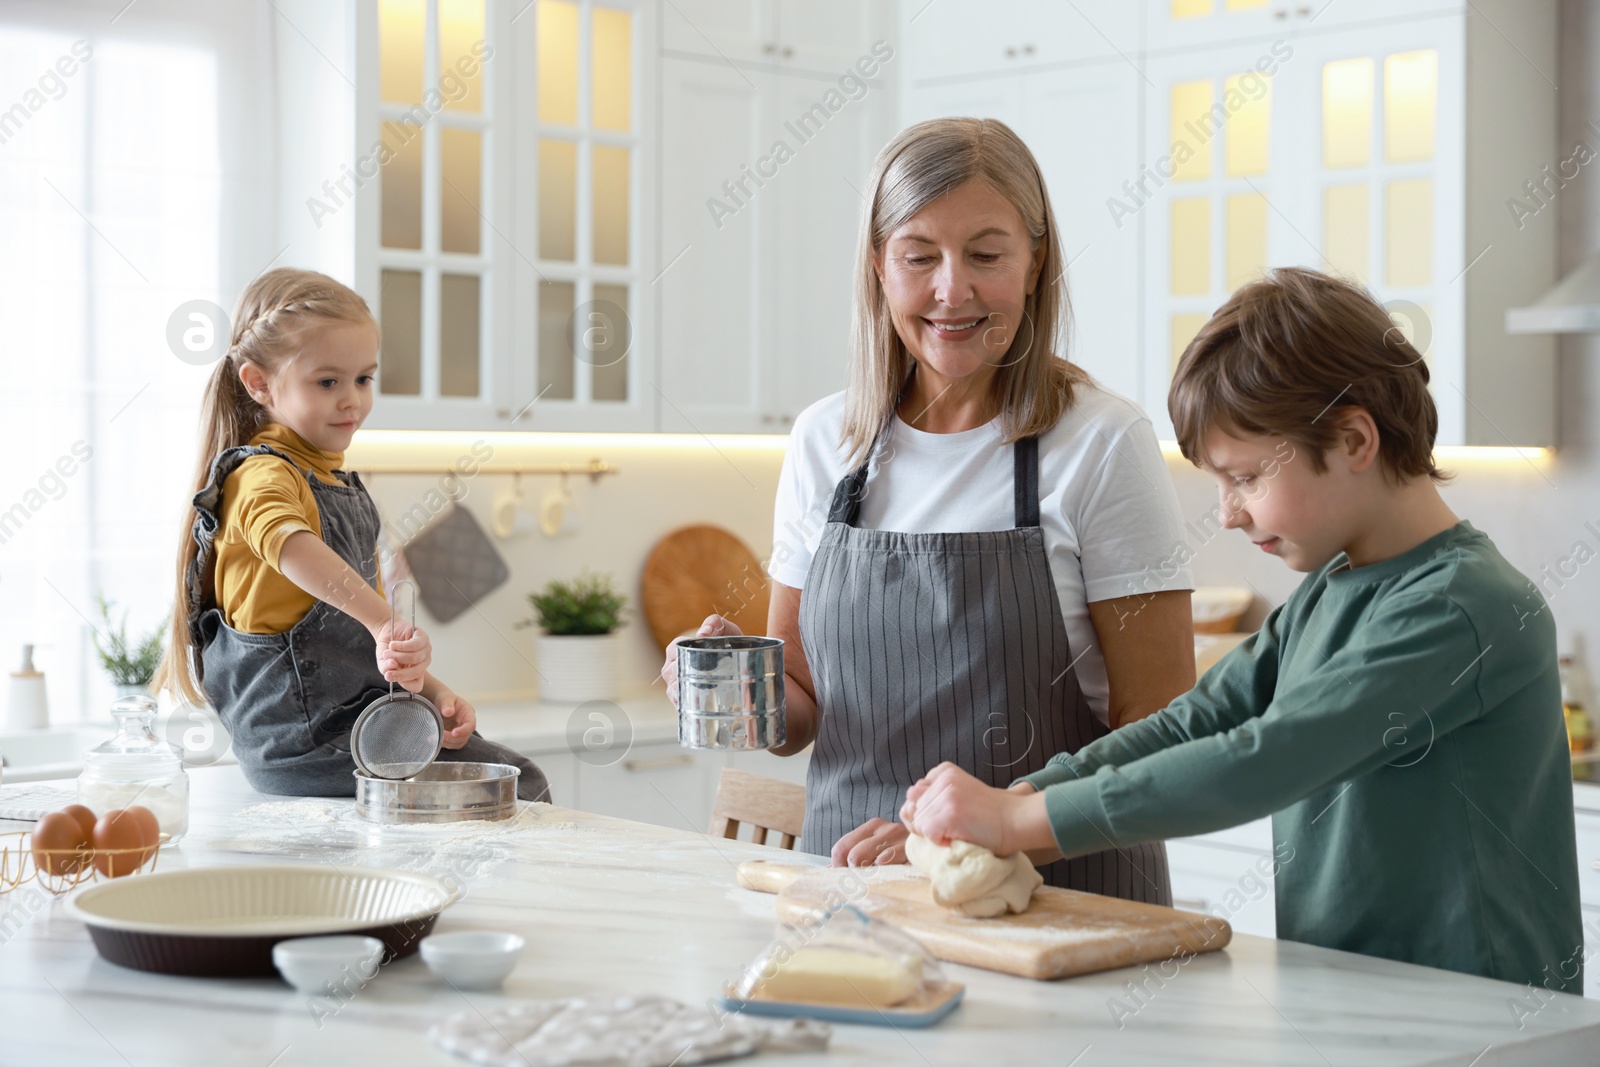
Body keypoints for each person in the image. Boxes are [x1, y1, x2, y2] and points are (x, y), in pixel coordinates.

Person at [901, 267, 1583, 991]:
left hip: (1484, 1019)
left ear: (1354, 440)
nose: (1227, 512)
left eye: (1247, 476)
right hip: (1358, 1003)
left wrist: (1018, 825)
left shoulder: (1461, 605)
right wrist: (1021, 795)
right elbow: (1194, 723)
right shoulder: (1331, 588)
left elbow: (1261, 758)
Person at [663, 118, 1197, 904]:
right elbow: (801, 706)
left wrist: (981, 832)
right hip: (848, 896)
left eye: (986, 254)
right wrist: (736, 689)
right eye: (920, 256)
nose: (954, 290)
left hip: (1056, 904)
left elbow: (1156, 730)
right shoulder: (827, 441)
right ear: (879, 266)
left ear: (1035, 259)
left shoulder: (1100, 440)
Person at [154, 268, 551, 802]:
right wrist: (386, 622)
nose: (353, 400)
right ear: (258, 383)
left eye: (364, 379)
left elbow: (356, 643)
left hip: (353, 728)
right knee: (516, 786)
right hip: (306, 744)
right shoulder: (262, 476)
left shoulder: (329, 478)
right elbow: (291, 547)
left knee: (498, 787)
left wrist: (433, 691)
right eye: (328, 382)